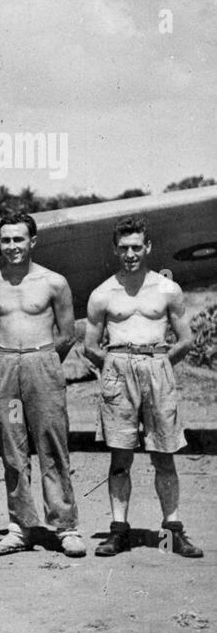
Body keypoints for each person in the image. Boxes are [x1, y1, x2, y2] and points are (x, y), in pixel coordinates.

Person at [84, 215, 201, 558]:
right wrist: (113, 368)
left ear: (147, 247)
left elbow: (185, 339)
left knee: (164, 456)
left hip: (157, 369)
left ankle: (171, 534)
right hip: (118, 370)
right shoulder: (103, 293)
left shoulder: (167, 289)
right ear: (115, 250)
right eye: (124, 248)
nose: (131, 254)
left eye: (137, 247)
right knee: (120, 457)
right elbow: (90, 345)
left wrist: (160, 365)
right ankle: (119, 531)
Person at [0, 212, 83, 557]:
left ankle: (65, 527)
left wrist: (44, 364)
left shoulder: (54, 282)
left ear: (32, 241)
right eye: (5, 240)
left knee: (52, 445)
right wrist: (12, 360)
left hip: (43, 366)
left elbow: (68, 333)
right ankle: (19, 527)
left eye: (18, 239)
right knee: (12, 448)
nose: (12, 247)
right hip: (6, 367)